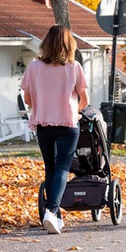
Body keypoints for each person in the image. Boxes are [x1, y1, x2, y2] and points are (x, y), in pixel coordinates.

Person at [20, 25, 89, 234]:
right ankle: (51, 210)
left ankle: (55, 216)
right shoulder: (74, 67)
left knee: (50, 168)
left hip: (43, 124)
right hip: (67, 123)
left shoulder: (34, 67)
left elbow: (28, 98)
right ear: (69, 45)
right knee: (62, 168)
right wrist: (69, 107)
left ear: (46, 43)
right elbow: (85, 101)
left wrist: (45, 106)